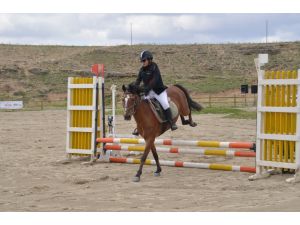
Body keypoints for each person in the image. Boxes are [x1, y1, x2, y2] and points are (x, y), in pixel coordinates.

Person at [132, 50, 177, 135]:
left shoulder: (154, 67)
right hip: (149, 92)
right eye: (142, 61)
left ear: (149, 59)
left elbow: (154, 81)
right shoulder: (142, 70)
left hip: (158, 91)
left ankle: (171, 123)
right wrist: (135, 88)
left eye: (144, 60)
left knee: (165, 104)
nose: (143, 62)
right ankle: (139, 126)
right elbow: (138, 80)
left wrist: (145, 89)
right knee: (141, 105)